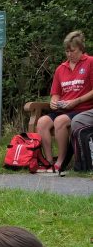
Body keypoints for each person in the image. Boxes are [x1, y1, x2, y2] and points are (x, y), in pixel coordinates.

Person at [36, 30, 93, 175]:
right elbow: (55, 94)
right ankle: (49, 162)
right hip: (63, 108)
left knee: (60, 121)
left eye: (72, 51)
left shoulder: (90, 62)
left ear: (81, 48)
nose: (69, 54)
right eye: (66, 51)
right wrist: (54, 102)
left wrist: (76, 101)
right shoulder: (61, 69)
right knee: (42, 122)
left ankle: (61, 162)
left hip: (82, 109)